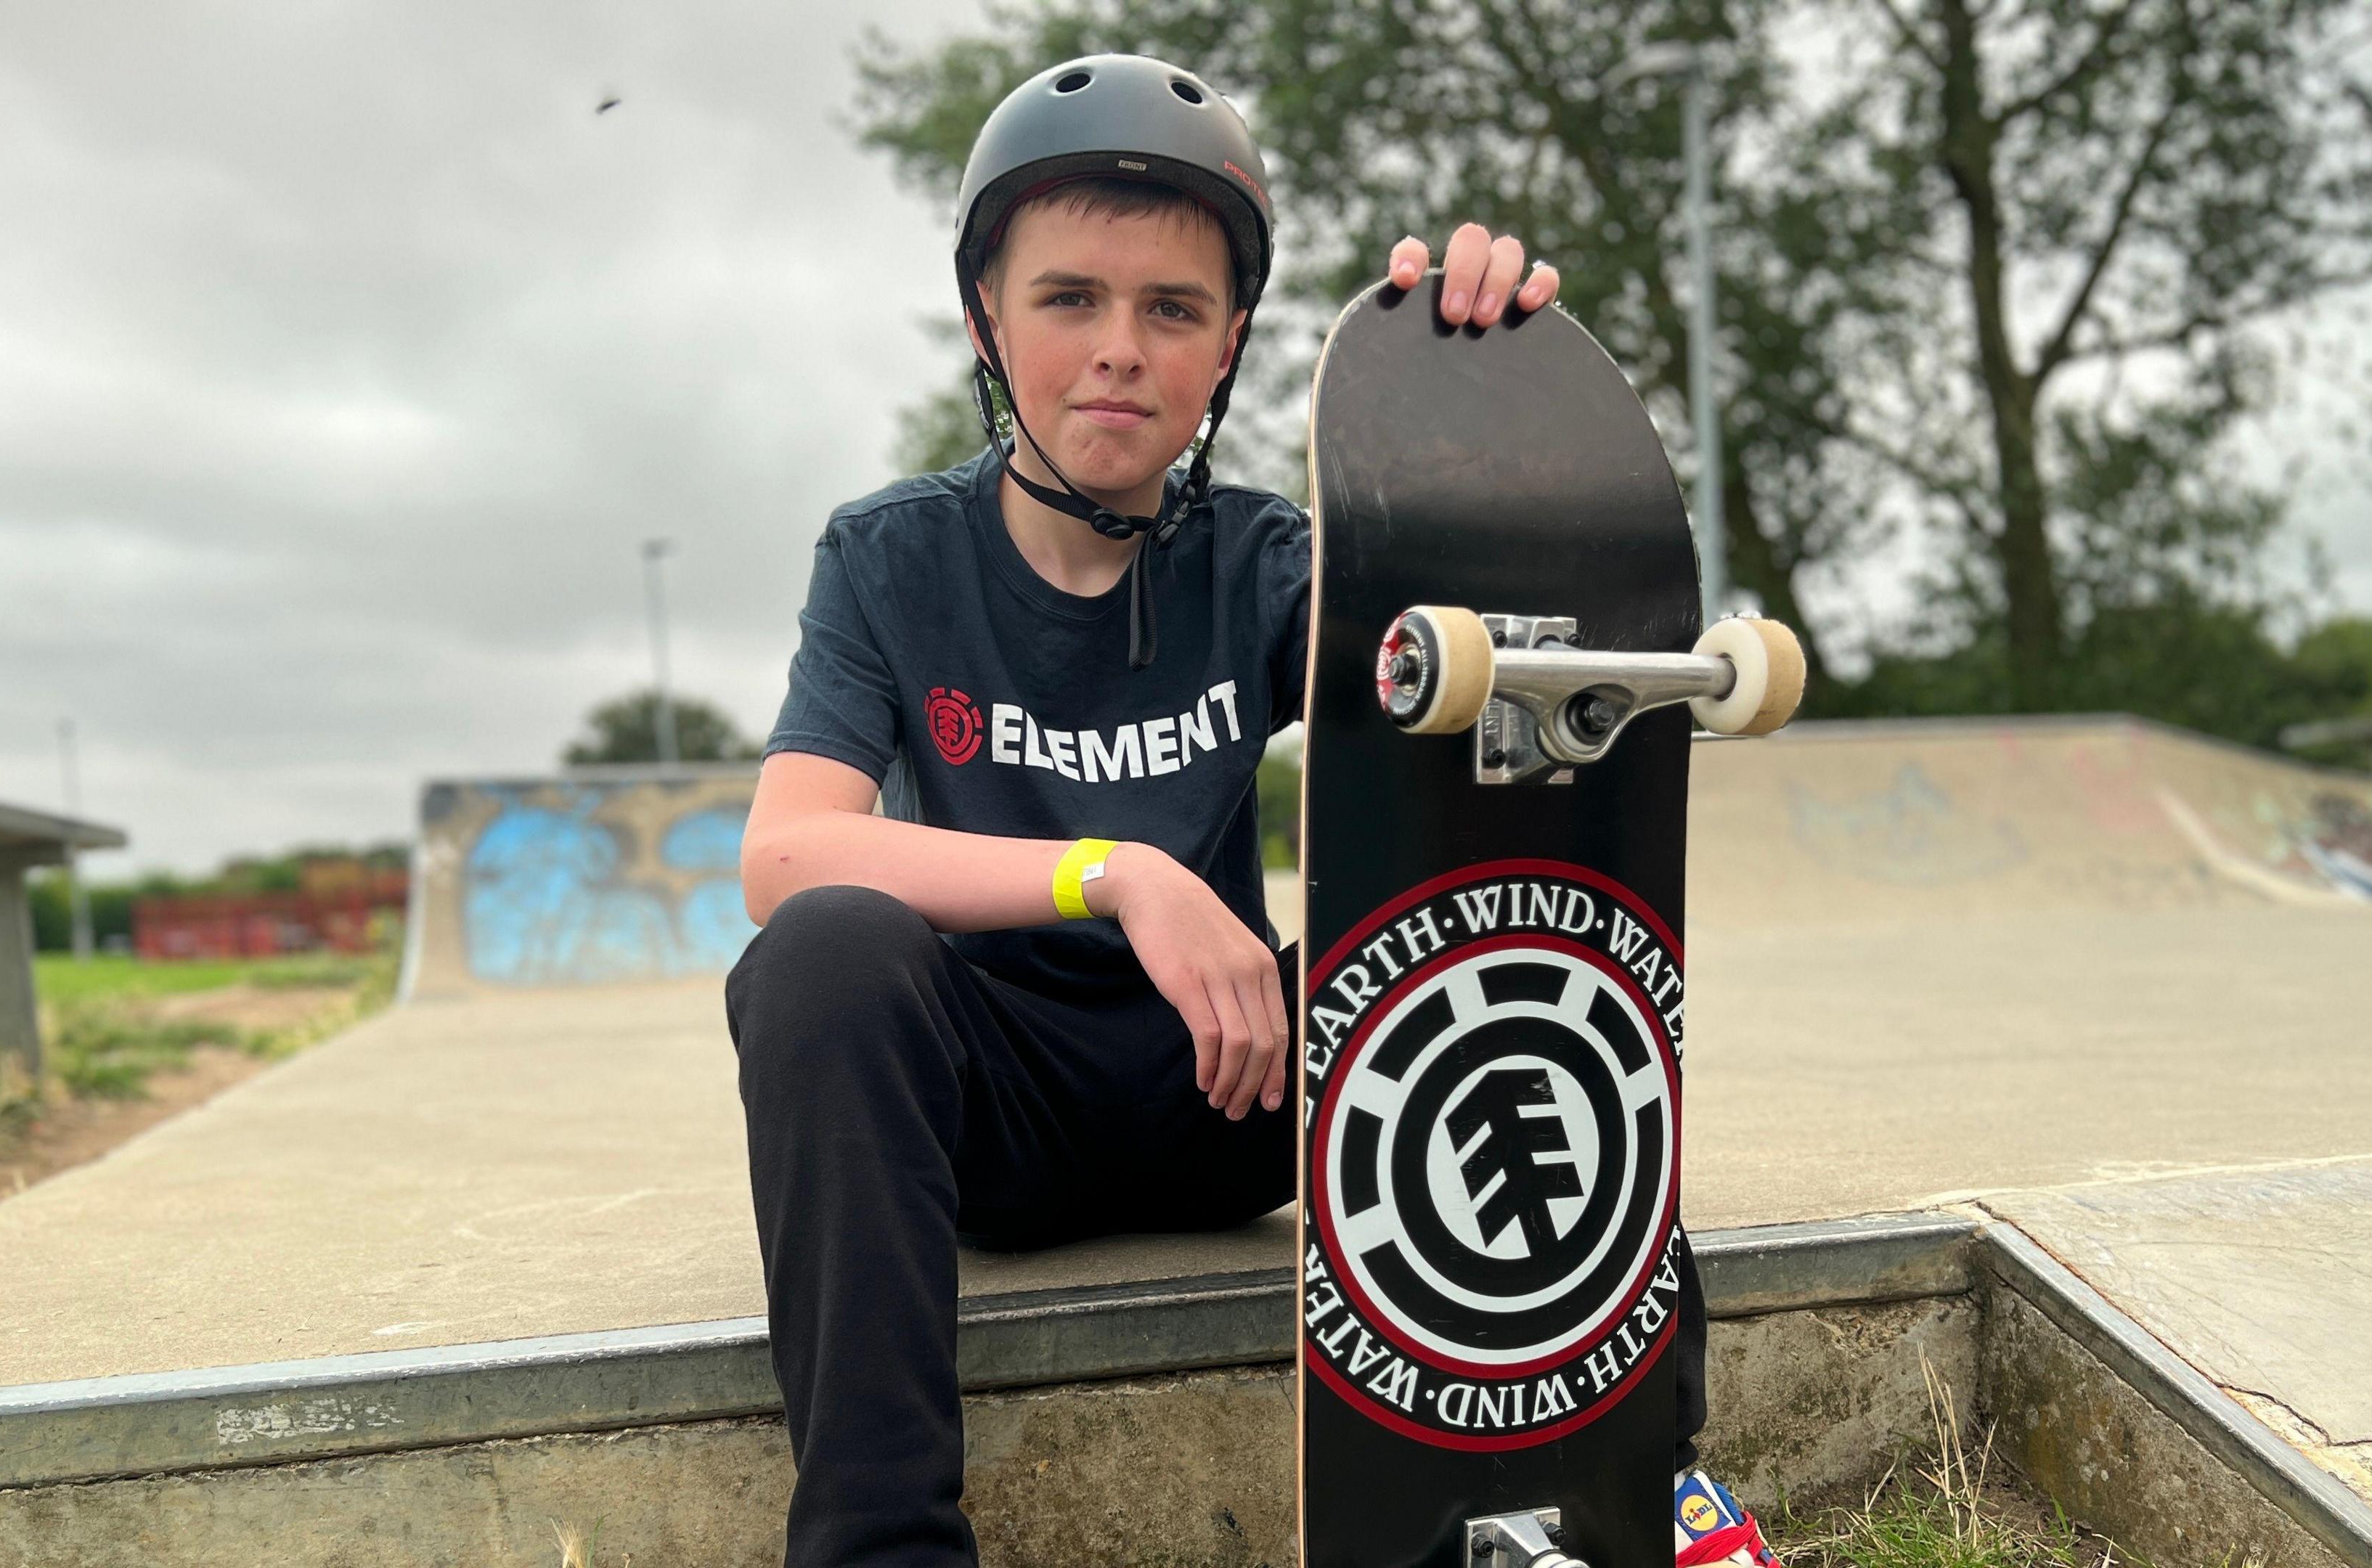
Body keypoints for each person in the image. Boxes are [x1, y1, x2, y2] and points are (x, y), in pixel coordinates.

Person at [728, 52, 1781, 1568]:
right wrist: (1122, 874)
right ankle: (882, 1547)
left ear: (1226, 350)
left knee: (1512, 954)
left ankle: (1645, 1469)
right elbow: (784, 851)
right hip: (990, 1111)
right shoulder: (893, 558)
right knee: (822, 955)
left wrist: (1476, 400)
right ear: (986, 320)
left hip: (1238, 1085)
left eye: (1172, 312)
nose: (1119, 352)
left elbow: (1495, 690)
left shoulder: (1277, 565)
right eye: (1069, 299)